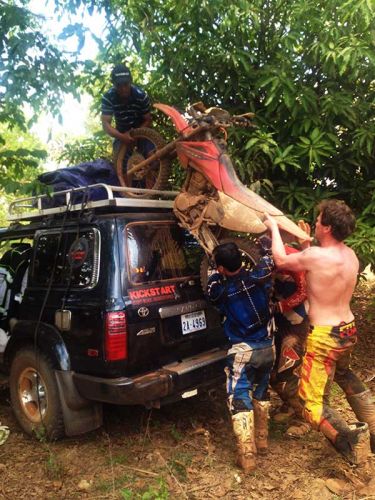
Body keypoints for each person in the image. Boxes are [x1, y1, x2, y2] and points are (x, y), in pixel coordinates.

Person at [264, 200, 375, 464]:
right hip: (347, 329)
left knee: (311, 403)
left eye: (318, 219)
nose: (313, 222)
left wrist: (274, 227)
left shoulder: (316, 257)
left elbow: (281, 259)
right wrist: (306, 245)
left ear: (326, 227)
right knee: (345, 375)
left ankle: (352, 447)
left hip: (325, 336)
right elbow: (320, 271)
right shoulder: (349, 255)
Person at [207, 241, 275, 472]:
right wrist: (265, 248)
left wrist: (215, 273)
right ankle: (263, 441)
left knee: (238, 396)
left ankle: (247, 455)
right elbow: (267, 259)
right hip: (268, 348)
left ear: (222, 268)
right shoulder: (260, 276)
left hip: (243, 351)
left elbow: (211, 292)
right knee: (262, 391)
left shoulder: (223, 291)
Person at [270, 244, 310, 437]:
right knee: (272, 373)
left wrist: (280, 306)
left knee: (288, 373)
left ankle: (304, 418)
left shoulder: (296, 261)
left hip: (295, 325)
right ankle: (289, 405)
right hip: (278, 324)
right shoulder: (266, 258)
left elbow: (304, 292)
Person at [101, 63, 152, 160]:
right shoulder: (108, 97)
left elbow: (148, 120)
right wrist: (122, 137)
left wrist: (136, 135)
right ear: (113, 84)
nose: (123, 89)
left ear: (131, 82)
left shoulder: (141, 96)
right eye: (119, 85)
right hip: (121, 133)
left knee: (154, 157)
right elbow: (105, 124)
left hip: (142, 131)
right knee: (119, 164)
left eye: (126, 84)